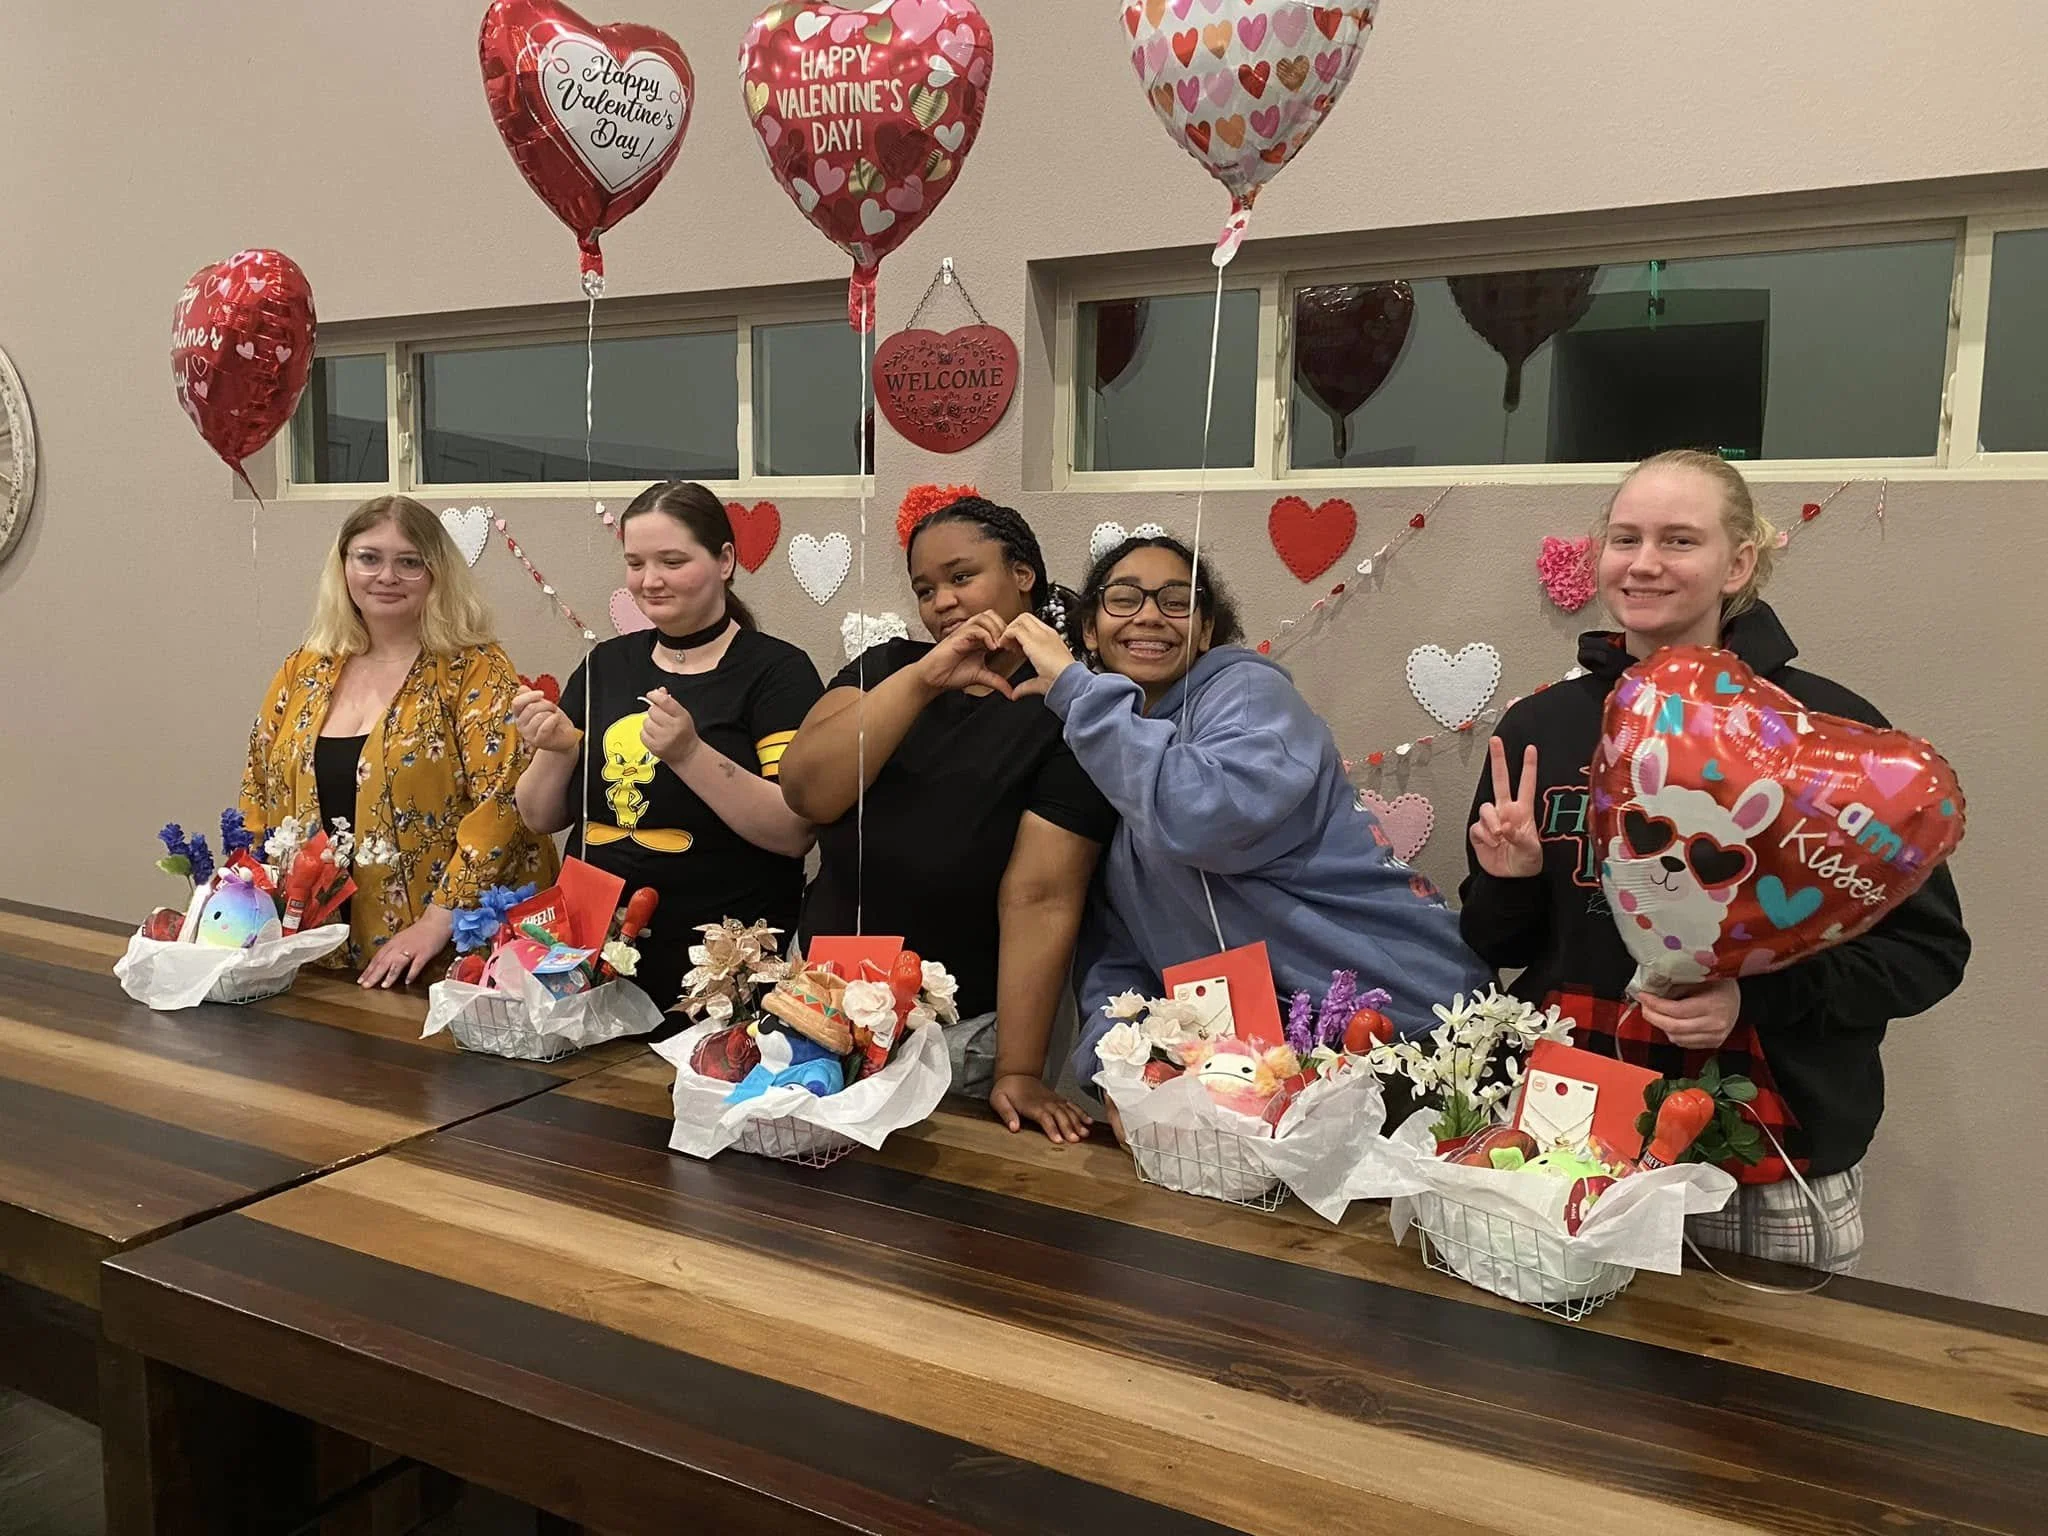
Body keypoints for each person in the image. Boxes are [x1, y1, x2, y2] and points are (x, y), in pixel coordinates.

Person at [1461, 449, 1969, 1271]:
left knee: (1763, 1395)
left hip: (1767, 1159)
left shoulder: (1830, 738)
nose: (1645, 563)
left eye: (1679, 540)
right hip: (1566, 1133)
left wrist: (1755, 997)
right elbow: (1499, 948)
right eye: (1625, 538)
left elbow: (1928, 956)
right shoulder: (1541, 730)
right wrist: (1507, 884)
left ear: (1739, 563)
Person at [995, 534, 1491, 1112]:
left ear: (1205, 631)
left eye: (1177, 601)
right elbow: (1117, 953)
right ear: (1089, 629)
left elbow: (1203, 815)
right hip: (1272, 1072)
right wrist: (1119, 1065)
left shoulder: (1248, 693)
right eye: (1125, 598)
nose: (1150, 615)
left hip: (1418, 1029)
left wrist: (1077, 690)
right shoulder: (1108, 747)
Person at [778, 488, 1116, 1143]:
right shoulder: (886, 667)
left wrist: (1017, 1070)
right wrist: (922, 680)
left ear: (1022, 576)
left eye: (963, 578)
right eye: (926, 590)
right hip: (818, 1000)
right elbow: (808, 791)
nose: (943, 602)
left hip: (960, 1034)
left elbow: (1040, 898)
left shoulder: (1067, 708)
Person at [512, 482, 821, 1021]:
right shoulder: (606, 664)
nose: (649, 581)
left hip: (717, 968)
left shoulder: (777, 672)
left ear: (724, 560)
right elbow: (540, 816)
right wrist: (556, 750)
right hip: (592, 954)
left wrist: (688, 754)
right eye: (635, 563)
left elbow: (794, 830)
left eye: (672, 561)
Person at [240, 495, 559, 987]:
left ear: (436, 573)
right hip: (312, 953)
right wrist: (245, 900)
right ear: (343, 565)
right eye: (369, 558)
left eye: (409, 562)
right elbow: (257, 790)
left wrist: (438, 921)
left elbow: (503, 807)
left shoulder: (471, 669)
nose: (386, 576)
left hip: (439, 958)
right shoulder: (304, 669)